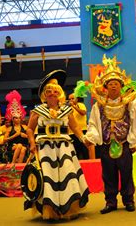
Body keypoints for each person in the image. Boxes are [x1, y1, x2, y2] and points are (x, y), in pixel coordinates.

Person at [25, 70, 89, 220]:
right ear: (44, 94)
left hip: (64, 147)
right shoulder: (37, 111)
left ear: (59, 93)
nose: (52, 93)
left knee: (67, 175)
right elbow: (29, 128)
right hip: (45, 148)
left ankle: (68, 208)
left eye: (55, 91)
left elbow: (75, 127)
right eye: (49, 91)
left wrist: (83, 139)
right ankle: (50, 210)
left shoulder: (67, 110)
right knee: (48, 177)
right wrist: (32, 143)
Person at [85, 55, 136, 214]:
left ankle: (128, 200)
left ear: (121, 86)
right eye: (110, 84)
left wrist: (135, 142)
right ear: (105, 86)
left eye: (116, 83)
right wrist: (90, 137)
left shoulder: (129, 104)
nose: (113, 86)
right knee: (108, 175)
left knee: (126, 174)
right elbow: (93, 124)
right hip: (106, 145)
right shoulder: (99, 106)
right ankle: (110, 202)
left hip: (123, 144)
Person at [1, 90, 28, 163]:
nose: (18, 119)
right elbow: (4, 140)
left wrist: (25, 135)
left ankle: (19, 165)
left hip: (23, 145)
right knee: (19, 146)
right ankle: (13, 163)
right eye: (15, 118)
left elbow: (30, 137)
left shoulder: (25, 127)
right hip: (12, 146)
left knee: (23, 149)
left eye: (19, 118)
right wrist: (15, 135)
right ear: (12, 119)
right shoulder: (10, 128)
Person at [68, 94, 93, 159]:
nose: (71, 100)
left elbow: (83, 113)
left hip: (82, 131)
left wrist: (73, 106)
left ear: (77, 99)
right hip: (71, 133)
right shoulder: (67, 108)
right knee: (75, 152)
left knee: (84, 151)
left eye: (72, 98)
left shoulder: (80, 105)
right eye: (69, 99)